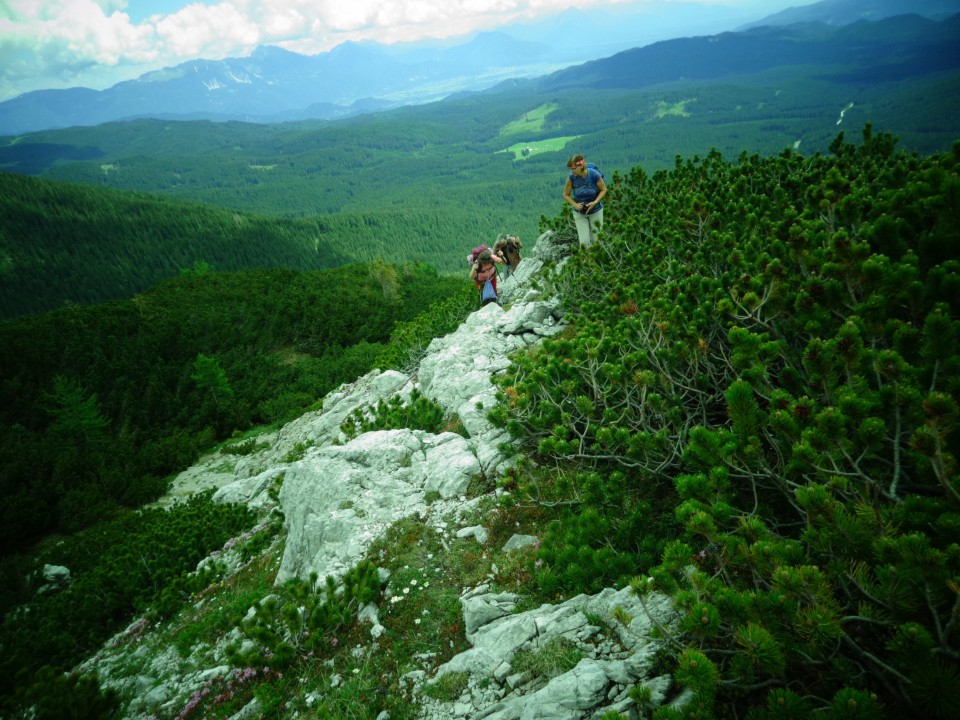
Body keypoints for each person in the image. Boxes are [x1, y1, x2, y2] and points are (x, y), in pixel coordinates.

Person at [563, 154, 607, 248]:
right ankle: (586, 261)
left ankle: (598, 260)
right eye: (570, 169)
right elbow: (566, 194)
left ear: (581, 166)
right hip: (580, 213)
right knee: (584, 243)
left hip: (596, 211)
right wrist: (575, 204)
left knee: (598, 241)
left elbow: (603, 190)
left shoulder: (594, 174)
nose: (571, 171)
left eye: (573, 169)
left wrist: (595, 202)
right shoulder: (571, 178)